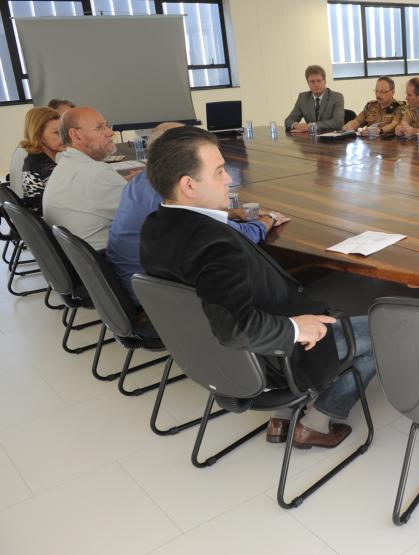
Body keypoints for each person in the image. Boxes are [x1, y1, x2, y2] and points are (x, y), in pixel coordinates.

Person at [140, 126, 375, 448]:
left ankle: (284, 414)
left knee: (341, 317)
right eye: (219, 172)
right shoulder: (213, 243)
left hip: (216, 359)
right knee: (385, 332)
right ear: (189, 185)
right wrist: (296, 328)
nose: (229, 180)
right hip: (275, 357)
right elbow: (235, 329)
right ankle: (316, 421)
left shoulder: (155, 226)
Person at [107, 123, 286, 304]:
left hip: (132, 283)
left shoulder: (143, 181)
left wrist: (230, 213)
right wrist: (267, 219)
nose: (228, 179)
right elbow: (241, 236)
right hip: (162, 302)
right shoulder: (170, 200)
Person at [43, 106, 133, 250]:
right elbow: (144, 216)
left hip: (81, 262)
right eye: (99, 128)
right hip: (109, 260)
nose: (110, 132)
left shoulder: (65, 163)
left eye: (107, 125)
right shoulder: (97, 173)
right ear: (76, 135)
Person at [19, 107, 64, 214]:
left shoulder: (33, 159)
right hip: (51, 223)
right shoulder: (44, 167)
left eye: (63, 131)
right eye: (56, 133)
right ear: (40, 136)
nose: (64, 137)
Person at [284, 65, 345, 133]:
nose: (316, 84)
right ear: (308, 83)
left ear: (324, 81)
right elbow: (289, 120)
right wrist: (296, 125)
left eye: (319, 81)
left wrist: (313, 126)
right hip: (311, 140)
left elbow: (338, 122)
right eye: (312, 82)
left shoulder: (336, 97)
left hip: (332, 140)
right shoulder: (303, 98)